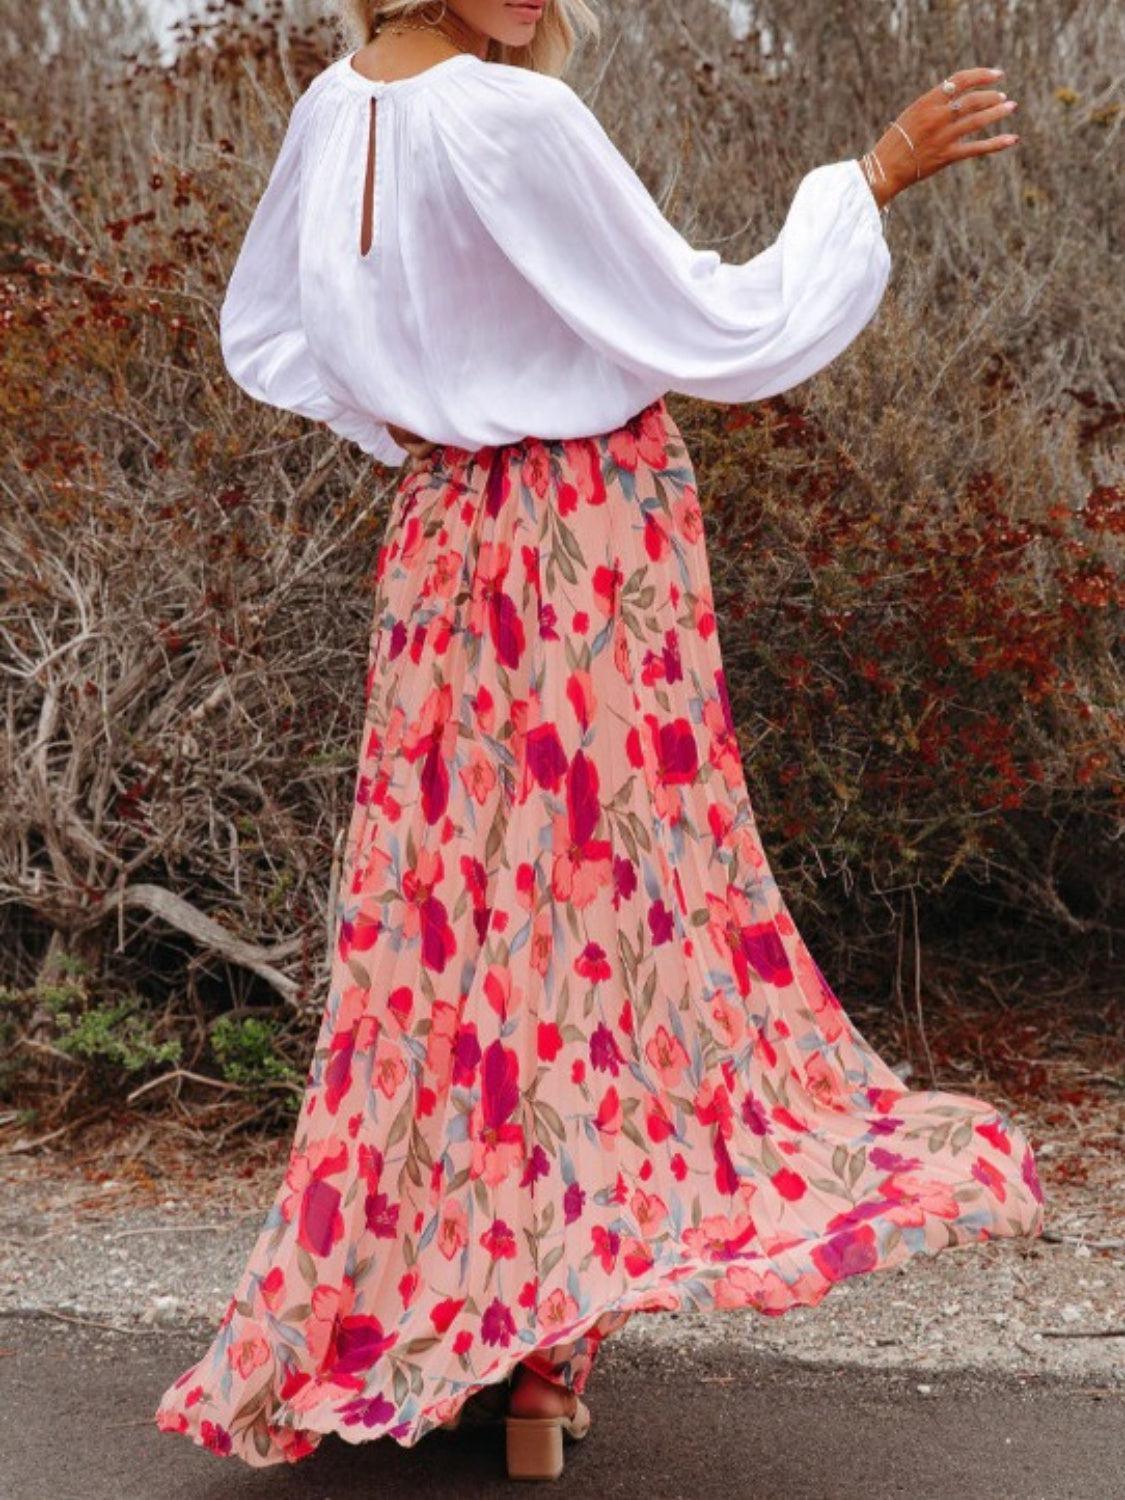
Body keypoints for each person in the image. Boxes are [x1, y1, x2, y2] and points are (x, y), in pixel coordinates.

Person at [154, 0, 1042, 1482]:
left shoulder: (335, 105)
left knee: (448, 945)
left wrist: (430, 422)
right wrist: (868, 177)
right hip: (586, 531)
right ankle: (538, 1368)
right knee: (600, 927)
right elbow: (713, 323)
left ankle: (462, 1327)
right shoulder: (513, 116)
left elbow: (274, 334)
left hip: (441, 544)